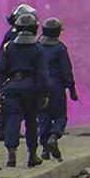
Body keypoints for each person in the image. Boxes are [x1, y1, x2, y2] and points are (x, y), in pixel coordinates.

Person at [0, 14, 50, 168]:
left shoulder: (9, 47)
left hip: (11, 88)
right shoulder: (38, 48)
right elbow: (43, 74)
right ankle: (32, 155)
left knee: (13, 120)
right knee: (31, 122)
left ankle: (11, 155)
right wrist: (45, 93)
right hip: (31, 89)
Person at [0, 4, 38, 141]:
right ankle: (4, 132)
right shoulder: (14, 34)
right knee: (8, 105)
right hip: (11, 73)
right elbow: (5, 54)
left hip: (8, 71)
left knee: (8, 104)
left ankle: (5, 131)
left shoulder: (14, 32)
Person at [37, 19, 78, 161]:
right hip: (56, 87)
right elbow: (67, 71)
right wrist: (72, 89)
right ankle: (54, 136)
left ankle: (44, 150)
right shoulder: (60, 48)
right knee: (60, 116)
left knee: (43, 117)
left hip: (40, 87)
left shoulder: (37, 46)